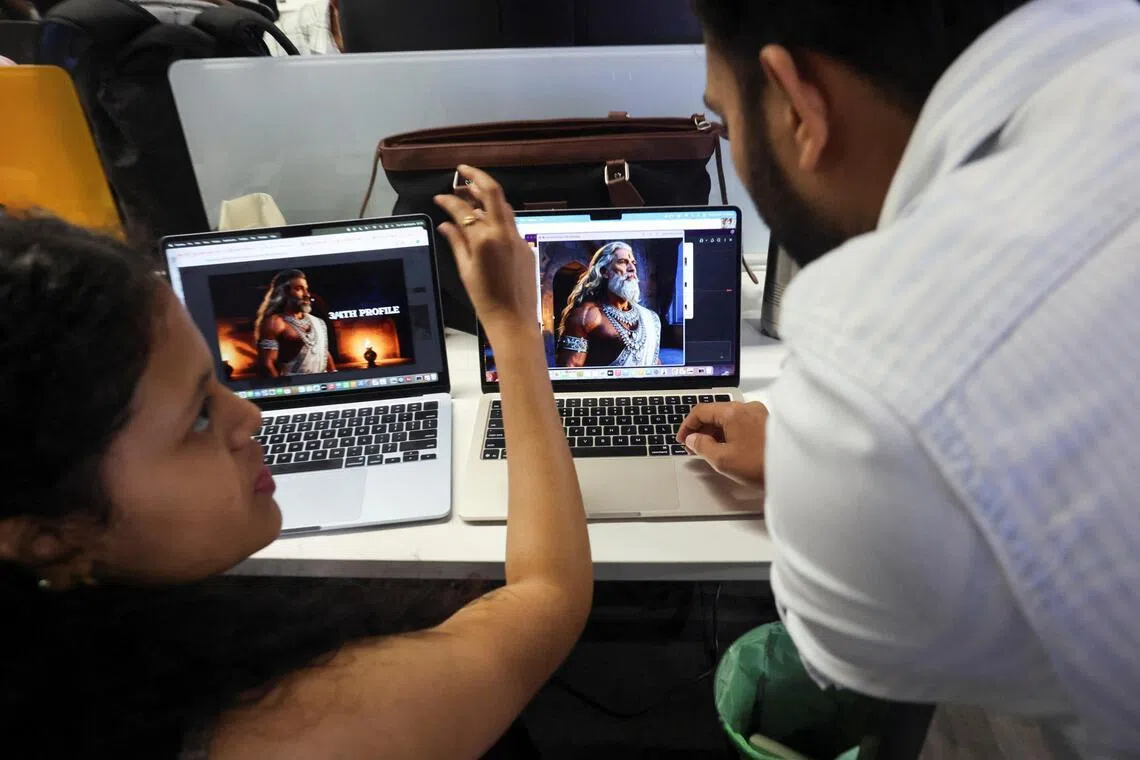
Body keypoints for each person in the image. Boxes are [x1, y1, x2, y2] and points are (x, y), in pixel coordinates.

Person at [0, 165, 592, 758]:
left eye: (217, 382)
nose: (251, 418)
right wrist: (513, 328)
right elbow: (549, 593)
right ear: (48, 534)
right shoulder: (296, 731)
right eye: (198, 418)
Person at [679, 0, 1140, 757]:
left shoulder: (871, 385)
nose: (733, 152)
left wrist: (817, 451)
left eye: (726, 126)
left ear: (797, 103)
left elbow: (847, 651)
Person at [555, 242, 662, 368]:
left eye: (633, 263)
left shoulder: (650, 318)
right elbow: (570, 371)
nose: (632, 268)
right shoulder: (586, 315)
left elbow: (653, 363)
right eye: (623, 262)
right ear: (604, 271)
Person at [254, 268, 337, 377]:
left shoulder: (318, 322)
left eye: (306, 289)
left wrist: (335, 379)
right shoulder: (275, 322)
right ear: (285, 293)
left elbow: (324, 353)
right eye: (299, 289)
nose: (307, 294)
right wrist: (285, 391)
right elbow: (267, 364)